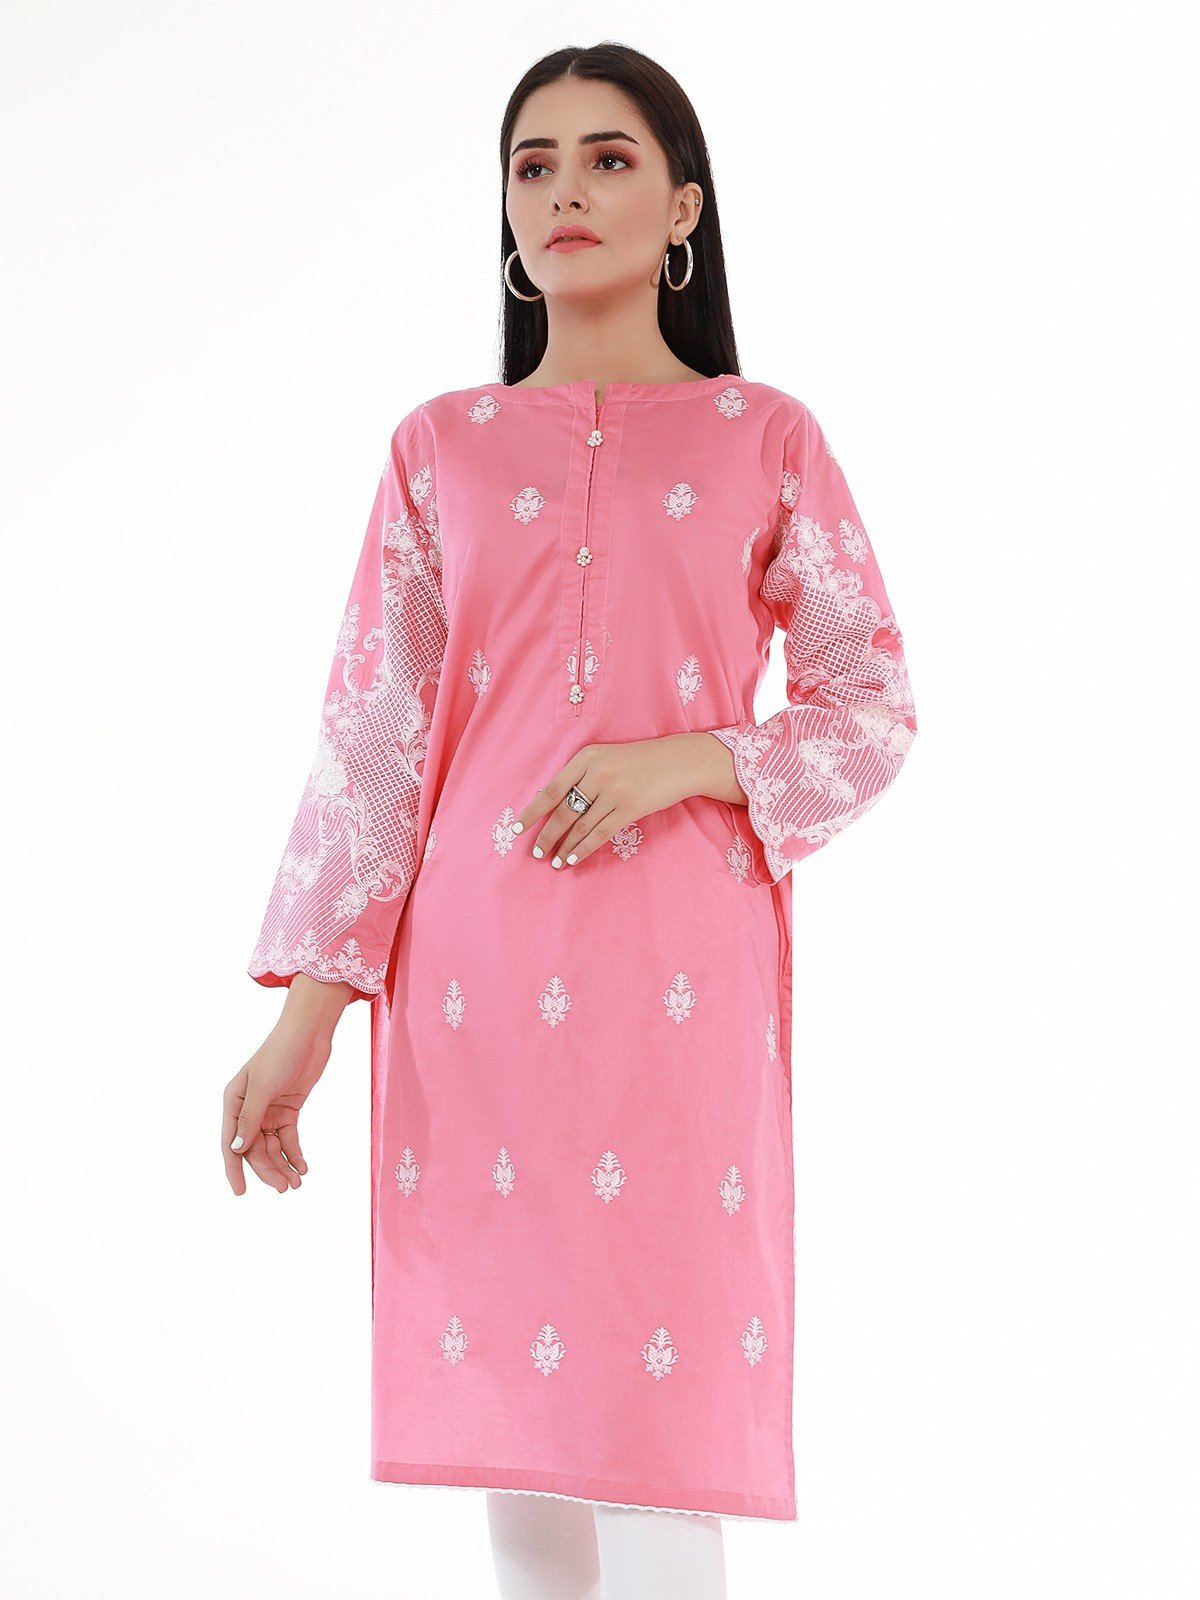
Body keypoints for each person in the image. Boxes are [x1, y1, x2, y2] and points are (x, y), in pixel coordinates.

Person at [223, 41, 918, 1600]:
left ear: (683, 209)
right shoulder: (440, 448)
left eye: (609, 159)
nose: (564, 191)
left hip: (679, 984)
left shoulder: (764, 436)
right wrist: (306, 1024)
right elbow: (375, 748)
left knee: (663, 1419)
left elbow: (870, 702)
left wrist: (693, 759)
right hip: (471, 989)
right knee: (516, 1434)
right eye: (532, 165)